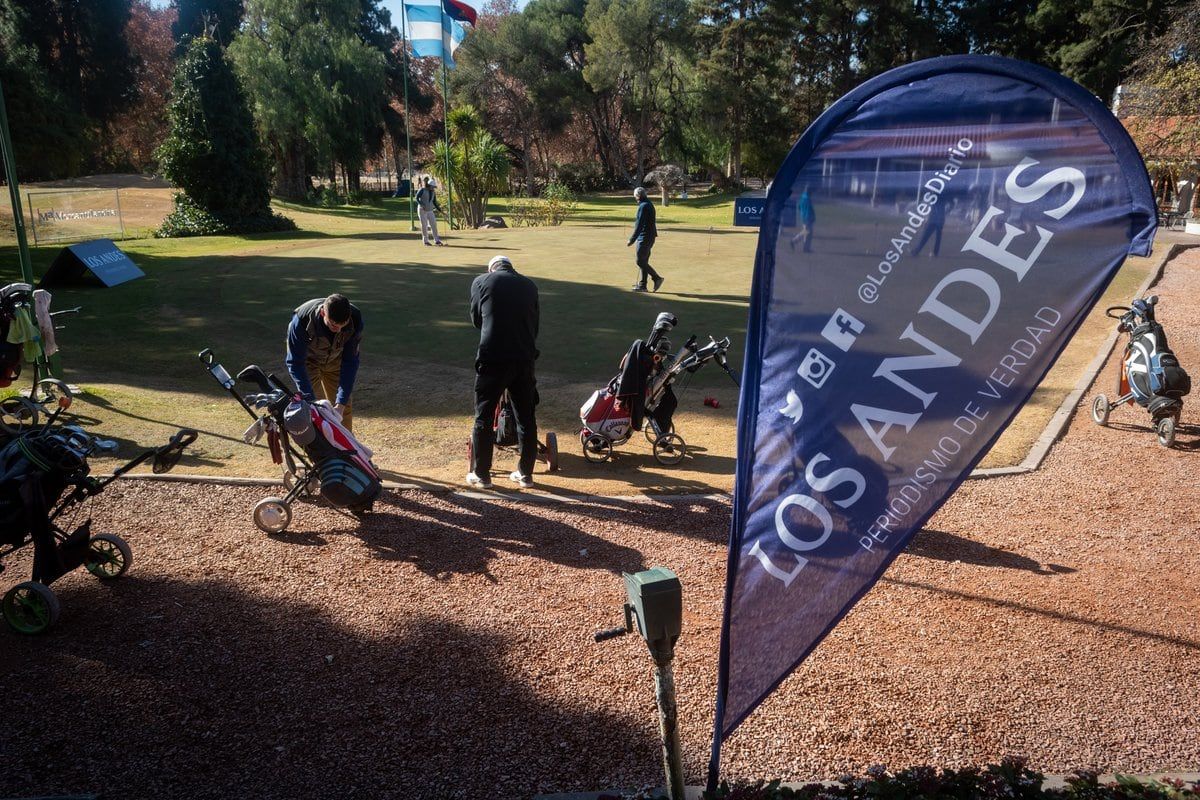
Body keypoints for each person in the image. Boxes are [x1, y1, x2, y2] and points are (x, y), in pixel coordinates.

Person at [467, 254, 540, 489]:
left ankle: (482, 475)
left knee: (484, 416)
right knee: (526, 417)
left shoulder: (481, 281)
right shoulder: (530, 285)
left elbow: (477, 319)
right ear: (511, 266)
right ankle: (526, 474)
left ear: (491, 268)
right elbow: (534, 324)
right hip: (524, 358)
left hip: (493, 358)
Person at [285, 294, 364, 432]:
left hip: (335, 361)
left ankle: (347, 449)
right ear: (323, 313)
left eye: (342, 325)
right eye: (333, 324)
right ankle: (323, 451)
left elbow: (350, 362)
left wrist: (340, 404)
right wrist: (310, 399)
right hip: (308, 363)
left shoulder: (355, 320)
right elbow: (296, 363)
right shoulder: (302, 321)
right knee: (317, 409)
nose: (338, 329)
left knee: (343, 408)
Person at [627, 186, 662, 293]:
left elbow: (639, 225)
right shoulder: (648, 204)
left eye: (635, 196)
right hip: (650, 236)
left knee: (640, 261)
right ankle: (643, 285)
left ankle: (657, 278)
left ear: (638, 196)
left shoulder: (643, 206)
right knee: (644, 261)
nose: (635, 198)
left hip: (645, 237)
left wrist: (632, 239)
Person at [415, 177, 445, 246]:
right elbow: (416, 198)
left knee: (434, 224)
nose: (433, 188)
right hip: (422, 210)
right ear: (429, 185)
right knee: (424, 225)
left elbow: (434, 202)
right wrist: (422, 205)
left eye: (434, 187)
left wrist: (440, 210)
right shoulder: (422, 190)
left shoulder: (433, 192)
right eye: (432, 186)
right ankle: (425, 241)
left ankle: (436, 240)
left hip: (430, 210)